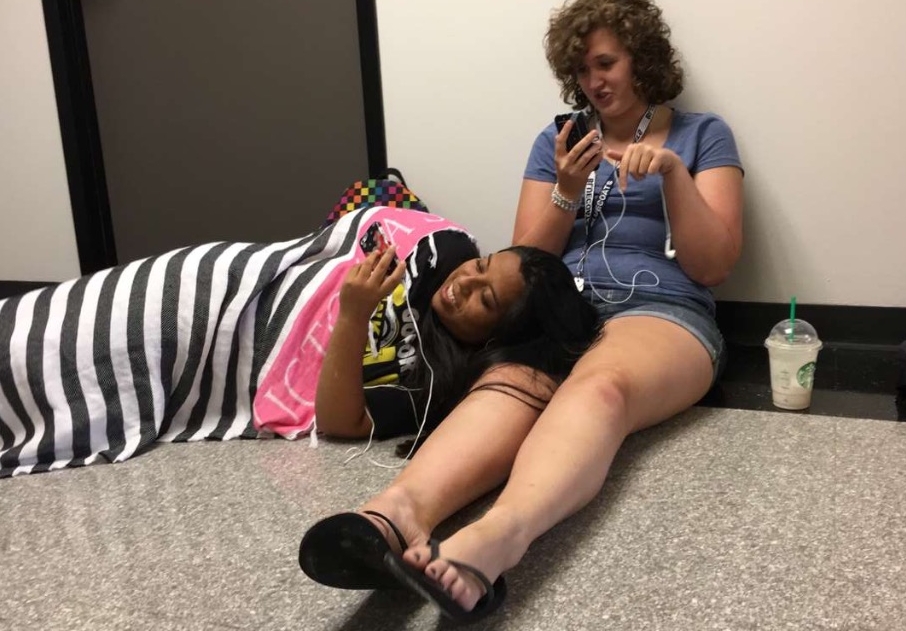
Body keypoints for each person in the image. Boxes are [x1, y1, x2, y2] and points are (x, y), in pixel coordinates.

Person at [299, 0, 743, 623]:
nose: (595, 82)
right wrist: (565, 187)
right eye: (583, 70)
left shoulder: (704, 135)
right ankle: (395, 513)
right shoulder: (559, 138)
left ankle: (496, 538)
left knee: (601, 386)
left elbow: (714, 265)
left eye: (607, 63)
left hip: (661, 311)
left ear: (642, 57)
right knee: (508, 383)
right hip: (559, 312)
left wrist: (671, 174)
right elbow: (521, 270)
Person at [0, 206, 601, 478]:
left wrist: (354, 314)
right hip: (222, 280)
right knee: (52, 315)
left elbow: (341, 420)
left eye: (485, 300)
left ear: (496, 338)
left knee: (67, 363)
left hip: (227, 352)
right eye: (482, 266)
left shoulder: (428, 383)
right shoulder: (447, 248)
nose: (464, 283)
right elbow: (363, 226)